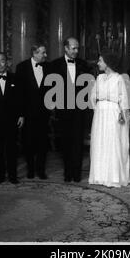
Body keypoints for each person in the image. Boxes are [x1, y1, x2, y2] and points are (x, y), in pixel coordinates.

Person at [50, 37, 92, 182]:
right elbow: (50, 87)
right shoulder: (55, 65)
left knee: (78, 142)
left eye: (77, 48)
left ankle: (77, 174)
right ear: (66, 48)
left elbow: (89, 86)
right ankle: (68, 173)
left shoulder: (84, 65)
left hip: (80, 109)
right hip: (62, 110)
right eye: (73, 48)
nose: (76, 51)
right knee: (65, 142)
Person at [89, 52, 130, 187]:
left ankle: (113, 177)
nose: (98, 63)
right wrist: (98, 108)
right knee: (99, 142)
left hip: (113, 113)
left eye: (100, 60)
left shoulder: (118, 78)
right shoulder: (99, 78)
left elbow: (124, 99)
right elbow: (92, 96)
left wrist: (123, 115)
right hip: (100, 114)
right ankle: (99, 176)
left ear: (107, 62)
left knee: (112, 142)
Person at [0, 53, 24, 184]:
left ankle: (13, 176)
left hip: (12, 120)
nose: (0, 64)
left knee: (12, 149)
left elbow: (20, 99)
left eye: (2, 61)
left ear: (7, 63)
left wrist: (21, 115)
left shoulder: (15, 78)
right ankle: (0, 176)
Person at [16, 44, 50, 179]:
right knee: (28, 142)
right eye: (43, 53)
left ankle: (41, 170)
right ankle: (30, 169)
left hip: (44, 112)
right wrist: (20, 114)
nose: (45, 55)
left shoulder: (48, 67)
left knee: (43, 143)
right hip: (27, 113)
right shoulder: (22, 67)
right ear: (35, 53)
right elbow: (18, 94)